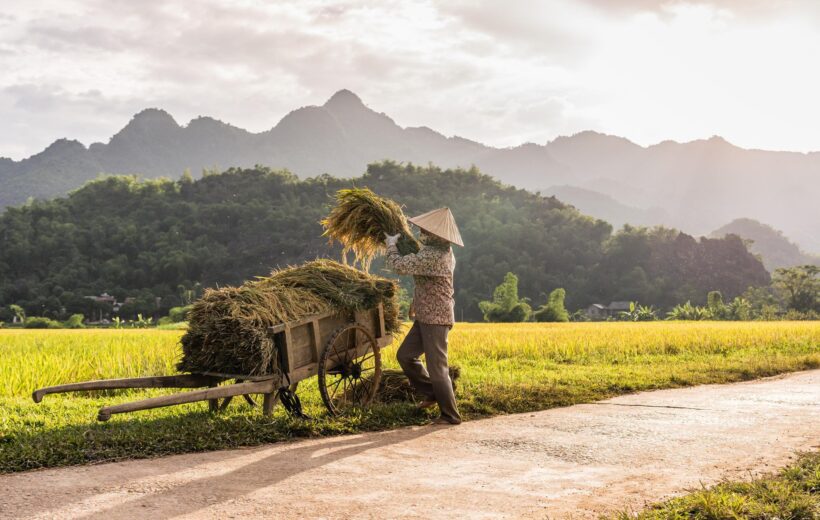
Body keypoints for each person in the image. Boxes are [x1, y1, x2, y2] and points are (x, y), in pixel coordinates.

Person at [384, 207, 463, 425]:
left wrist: (391, 245)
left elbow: (399, 265)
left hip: (436, 318)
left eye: (425, 231)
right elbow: (429, 282)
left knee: (438, 367)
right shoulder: (436, 251)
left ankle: (450, 415)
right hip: (426, 314)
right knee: (406, 356)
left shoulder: (434, 255)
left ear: (436, 235)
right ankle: (432, 392)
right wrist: (415, 302)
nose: (421, 234)